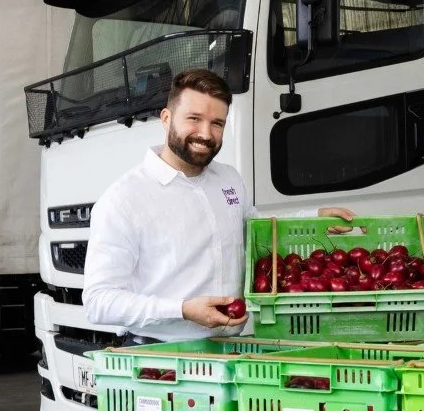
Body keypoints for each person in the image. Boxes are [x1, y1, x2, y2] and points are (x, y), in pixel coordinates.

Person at [85, 67, 353, 342]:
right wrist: (183, 310)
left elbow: (256, 233)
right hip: (161, 357)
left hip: (231, 349)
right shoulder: (123, 200)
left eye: (217, 123)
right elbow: (98, 301)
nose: (206, 134)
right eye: (194, 119)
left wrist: (313, 221)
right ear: (166, 118)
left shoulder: (229, 179)